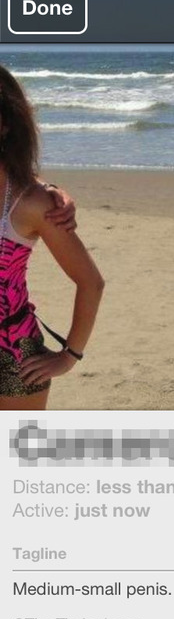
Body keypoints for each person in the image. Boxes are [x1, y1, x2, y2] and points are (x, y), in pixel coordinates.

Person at [0, 63, 104, 410]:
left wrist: (69, 355)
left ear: (5, 125)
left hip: (12, 358)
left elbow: (91, 282)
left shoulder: (31, 204)